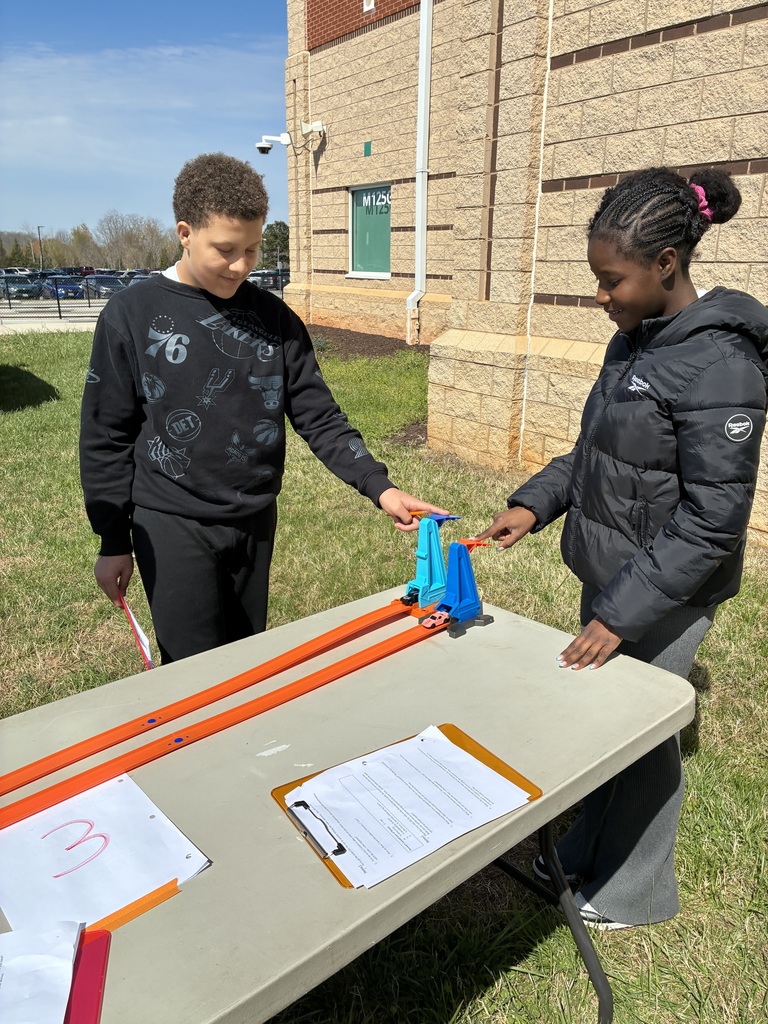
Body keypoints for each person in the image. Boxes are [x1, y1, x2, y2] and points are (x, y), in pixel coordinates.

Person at [476, 166, 768, 929]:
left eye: (612, 281)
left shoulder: (722, 365)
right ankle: (581, 849)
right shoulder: (634, 341)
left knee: (641, 740)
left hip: (669, 594)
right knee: (599, 726)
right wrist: (533, 504)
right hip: (613, 576)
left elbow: (713, 520)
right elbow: (595, 454)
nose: (600, 297)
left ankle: (635, 891)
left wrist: (623, 615)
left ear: (666, 264)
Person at [80, 153, 447, 664]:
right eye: (225, 250)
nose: (242, 265)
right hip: (170, 520)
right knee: (192, 672)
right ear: (185, 232)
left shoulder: (273, 318)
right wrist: (113, 539)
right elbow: (105, 435)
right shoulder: (132, 314)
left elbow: (319, 416)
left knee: (246, 660)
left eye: (252, 249)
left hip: (254, 518)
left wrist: (379, 486)